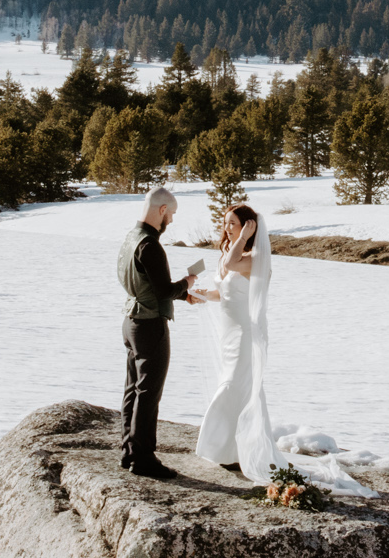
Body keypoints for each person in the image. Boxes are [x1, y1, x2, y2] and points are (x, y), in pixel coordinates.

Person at [117, 185, 204, 478]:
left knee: (133, 388)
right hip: (150, 325)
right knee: (148, 392)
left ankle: (129, 452)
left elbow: (146, 283)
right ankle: (143, 459)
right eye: (172, 215)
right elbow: (163, 288)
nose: (172, 222)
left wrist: (182, 295)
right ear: (162, 211)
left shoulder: (132, 237)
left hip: (131, 321)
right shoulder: (150, 244)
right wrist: (186, 283)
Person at [192, 204, 274, 481]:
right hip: (229, 333)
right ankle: (234, 452)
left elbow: (230, 266)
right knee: (236, 386)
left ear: (249, 228)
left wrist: (240, 240)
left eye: (233, 224)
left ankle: (228, 449)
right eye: (225, 223)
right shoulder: (231, 253)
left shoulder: (255, 258)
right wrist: (204, 295)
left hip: (245, 334)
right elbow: (226, 293)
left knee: (234, 387)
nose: (227, 229)